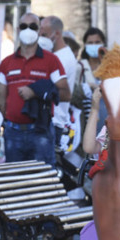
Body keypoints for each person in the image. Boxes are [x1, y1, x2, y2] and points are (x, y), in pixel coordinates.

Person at [0, 12, 69, 166]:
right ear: (17, 30)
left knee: (43, 180)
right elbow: (0, 100)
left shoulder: (51, 60)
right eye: (23, 26)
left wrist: (37, 91)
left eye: (33, 26)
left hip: (40, 131)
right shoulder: (6, 63)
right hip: (12, 131)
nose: (27, 30)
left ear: (39, 31)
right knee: (15, 182)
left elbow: (65, 94)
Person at [39, 16, 80, 148]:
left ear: (56, 33)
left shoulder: (62, 58)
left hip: (53, 122)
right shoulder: (57, 55)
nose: (40, 37)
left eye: (44, 34)